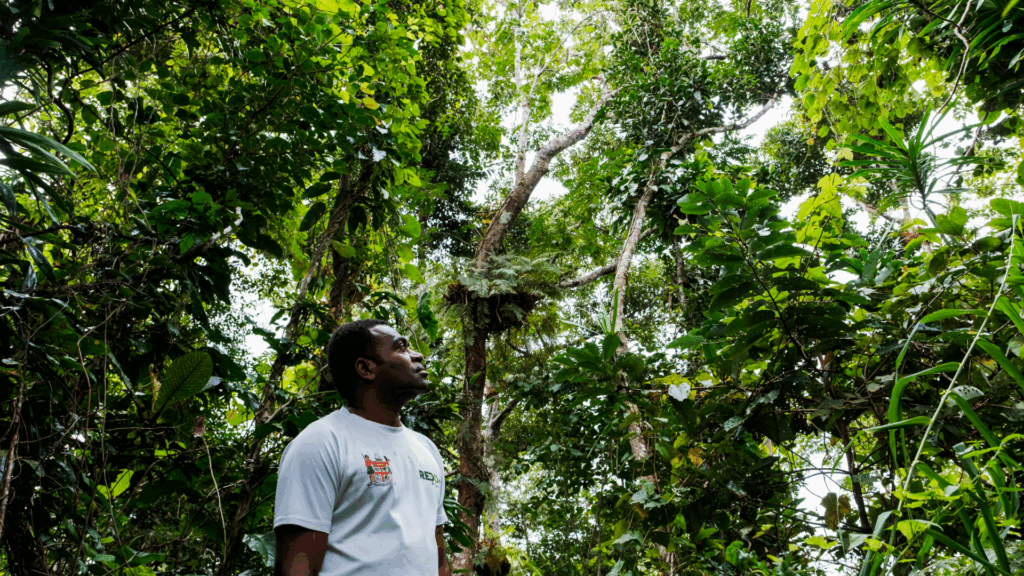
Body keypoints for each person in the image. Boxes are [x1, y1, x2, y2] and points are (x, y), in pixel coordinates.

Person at [273, 319, 453, 576]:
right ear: (366, 368)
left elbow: (439, 560)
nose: (417, 355)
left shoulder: (427, 449)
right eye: (401, 347)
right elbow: (298, 566)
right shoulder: (321, 442)